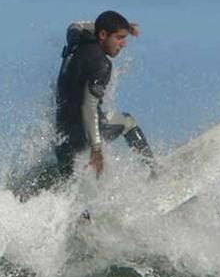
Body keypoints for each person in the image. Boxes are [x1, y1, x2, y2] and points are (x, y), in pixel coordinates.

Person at [52, 10, 153, 181]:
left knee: (67, 184)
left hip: (61, 130)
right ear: (103, 34)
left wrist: (124, 27)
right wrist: (96, 149)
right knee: (127, 121)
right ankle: (154, 170)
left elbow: (75, 25)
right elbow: (89, 106)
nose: (123, 44)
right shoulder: (101, 65)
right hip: (85, 132)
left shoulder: (75, 40)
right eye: (119, 38)